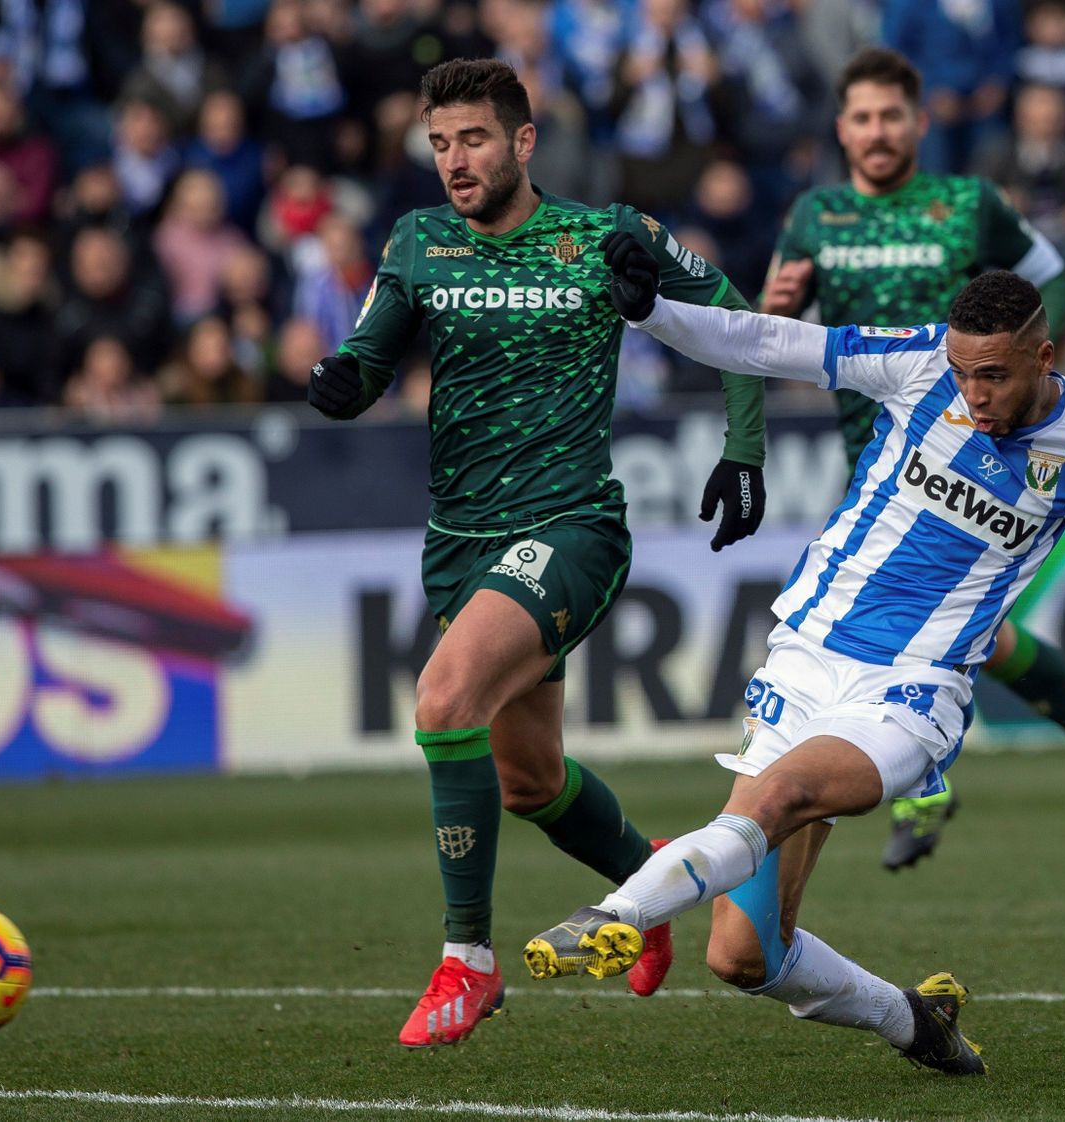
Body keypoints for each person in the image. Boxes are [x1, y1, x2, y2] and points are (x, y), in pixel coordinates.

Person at [525, 234, 1065, 1075]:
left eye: (995, 376)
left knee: (784, 793)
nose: (974, 394)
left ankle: (615, 915)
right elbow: (766, 341)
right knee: (745, 955)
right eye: (964, 372)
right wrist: (652, 312)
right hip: (804, 662)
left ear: (1043, 356)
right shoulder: (917, 365)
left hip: (911, 691)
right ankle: (913, 1021)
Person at [308, 58, 769, 1048]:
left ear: (523, 141)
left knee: (441, 700)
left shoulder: (602, 234)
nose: (454, 162)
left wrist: (743, 447)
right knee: (526, 781)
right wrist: (341, 383)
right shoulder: (418, 240)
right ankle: (642, 882)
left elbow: (731, 317)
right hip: (458, 543)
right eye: (438, 144)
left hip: (570, 529)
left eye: (473, 139)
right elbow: (371, 358)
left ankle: (465, 965)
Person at [759, 46, 1065, 870]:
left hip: (978, 448)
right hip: (870, 457)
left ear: (921, 121)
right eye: (863, 118)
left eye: (892, 115)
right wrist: (774, 309)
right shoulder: (815, 217)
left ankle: (922, 779)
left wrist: (1039, 383)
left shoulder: (966, 204)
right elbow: (768, 330)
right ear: (842, 129)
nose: (878, 131)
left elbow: (1051, 277)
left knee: (953, 625)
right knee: (982, 633)